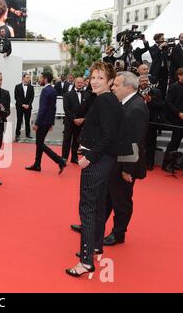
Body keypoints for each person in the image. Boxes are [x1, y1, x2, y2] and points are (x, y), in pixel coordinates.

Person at [65, 62, 124, 278]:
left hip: (98, 161)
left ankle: (86, 261)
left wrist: (88, 157)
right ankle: (97, 246)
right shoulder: (108, 99)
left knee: (87, 209)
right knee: (98, 204)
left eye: (101, 77)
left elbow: (109, 136)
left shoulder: (105, 101)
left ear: (110, 81)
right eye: (93, 77)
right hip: (105, 160)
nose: (95, 81)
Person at [103, 72, 149, 247]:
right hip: (116, 161)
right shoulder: (126, 104)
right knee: (107, 197)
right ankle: (95, 226)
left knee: (121, 200)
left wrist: (127, 169)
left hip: (125, 164)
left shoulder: (136, 108)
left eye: (116, 85)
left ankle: (119, 233)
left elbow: (135, 141)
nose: (113, 87)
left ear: (129, 87)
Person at [26, 71, 66, 173]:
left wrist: (37, 123)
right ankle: (37, 164)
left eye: (41, 78)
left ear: (45, 79)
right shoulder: (52, 90)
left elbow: (43, 109)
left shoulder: (45, 91)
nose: (39, 80)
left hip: (43, 122)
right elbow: (53, 108)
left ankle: (59, 160)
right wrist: (51, 122)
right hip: (48, 121)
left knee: (39, 143)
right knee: (40, 143)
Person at [62, 77, 92, 164]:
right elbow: (66, 109)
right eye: (78, 82)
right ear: (74, 83)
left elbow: (89, 109)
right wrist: (74, 119)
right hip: (70, 122)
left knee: (76, 140)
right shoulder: (67, 94)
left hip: (81, 122)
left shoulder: (87, 95)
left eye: (81, 82)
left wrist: (83, 119)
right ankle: (64, 158)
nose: (79, 84)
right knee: (67, 140)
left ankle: (74, 157)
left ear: (83, 83)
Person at [138, 74, 164, 170]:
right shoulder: (135, 92)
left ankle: (149, 163)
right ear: (138, 82)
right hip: (138, 122)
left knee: (151, 143)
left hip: (151, 122)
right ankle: (138, 164)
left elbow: (161, 105)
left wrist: (150, 101)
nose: (144, 82)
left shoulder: (156, 92)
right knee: (139, 144)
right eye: (142, 80)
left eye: (146, 80)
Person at [162, 68, 183, 172]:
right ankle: (166, 164)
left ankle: (177, 164)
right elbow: (168, 102)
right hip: (177, 119)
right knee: (174, 142)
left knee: (177, 142)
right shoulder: (174, 87)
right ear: (179, 75)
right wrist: (178, 113)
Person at [14, 73, 34, 141]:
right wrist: (22, 104)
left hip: (28, 107)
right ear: (23, 78)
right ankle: (17, 134)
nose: (29, 79)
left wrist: (28, 105)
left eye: (29, 77)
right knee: (19, 120)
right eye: (27, 77)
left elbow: (32, 97)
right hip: (20, 106)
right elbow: (16, 97)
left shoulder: (31, 87)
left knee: (27, 121)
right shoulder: (17, 86)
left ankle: (28, 134)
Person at [150, 33, 170, 99]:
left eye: (164, 39)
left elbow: (168, 57)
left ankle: (163, 101)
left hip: (164, 70)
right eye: (162, 39)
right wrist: (160, 47)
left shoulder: (165, 48)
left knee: (164, 87)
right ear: (157, 40)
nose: (163, 40)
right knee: (156, 88)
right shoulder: (153, 48)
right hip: (156, 71)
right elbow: (154, 56)